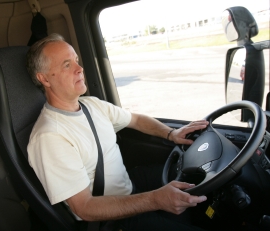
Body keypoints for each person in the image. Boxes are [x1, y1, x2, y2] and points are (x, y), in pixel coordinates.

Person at [26, 33, 209, 231]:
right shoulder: (49, 137)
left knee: (194, 173)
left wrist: (171, 134)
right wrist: (155, 200)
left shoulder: (91, 105)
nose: (80, 69)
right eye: (67, 65)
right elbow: (84, 208)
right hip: (110, 217)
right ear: (44, 78)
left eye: (76, 61)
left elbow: (136, 119)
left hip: (129, 184)